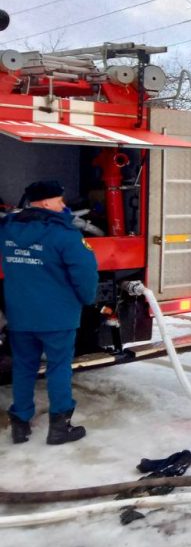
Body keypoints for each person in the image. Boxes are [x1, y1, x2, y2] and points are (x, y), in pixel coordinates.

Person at [1, 180, 98, 445]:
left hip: (20, 314)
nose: (63, 205)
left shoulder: (7, 229)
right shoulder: (64, 234)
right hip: (58, 316)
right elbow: (86, 274)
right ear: (45, 203)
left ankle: (20, 425)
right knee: (58, 368)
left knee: (23, 367)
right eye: (59, 200)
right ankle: (59, 428)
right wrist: (87, 299)